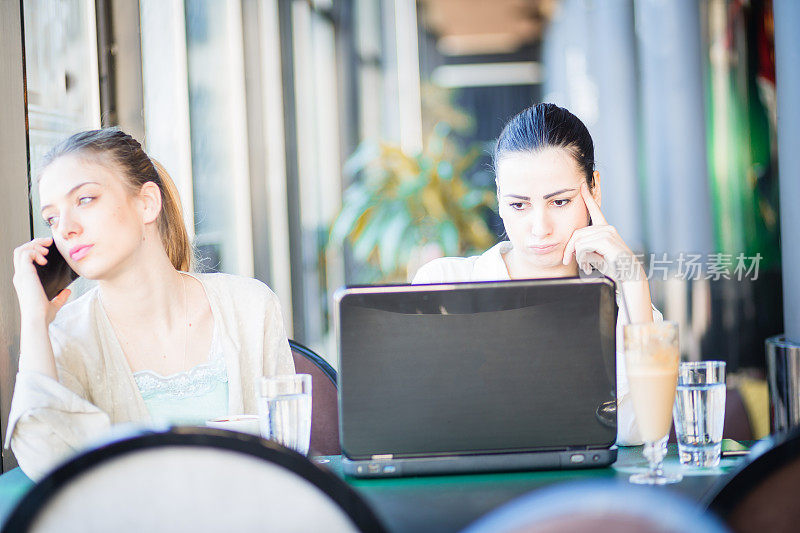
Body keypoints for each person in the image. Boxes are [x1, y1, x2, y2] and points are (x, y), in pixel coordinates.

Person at [6, 129, 294, 480]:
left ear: (147, 203)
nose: (65, 229)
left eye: (84, 200)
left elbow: (288, 450)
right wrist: (36, 321)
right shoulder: (66, 339)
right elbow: (44, 462)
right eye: (51, 218)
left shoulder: (249, 306)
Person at [413, 103, 662, 446]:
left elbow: (646, 430)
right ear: (500, 197)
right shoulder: (444, 285)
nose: (540, 229)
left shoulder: (628, 309)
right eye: (519, 205)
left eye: (559, 202)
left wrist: (633, 280)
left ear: (594, 189)